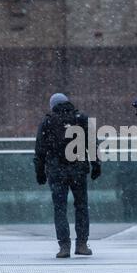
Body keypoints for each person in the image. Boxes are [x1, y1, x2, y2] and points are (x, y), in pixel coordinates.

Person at [34, 93, 101, 258]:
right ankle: (82, 244)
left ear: (53, 106)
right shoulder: (81, 119)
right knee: (81, 207)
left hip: (56, 172)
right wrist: (96, 165)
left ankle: (64, 246)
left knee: (60, 209)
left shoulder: (48, 122)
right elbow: (92, 144)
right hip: (78, 169)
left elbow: (40, 150)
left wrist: (40, 172)